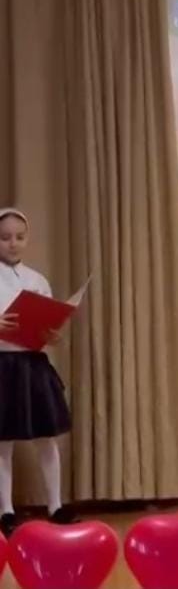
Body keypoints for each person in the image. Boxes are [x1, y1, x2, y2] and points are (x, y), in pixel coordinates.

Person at [0, 208, 78, 537]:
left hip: (33, 364)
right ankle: (5, 511)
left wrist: (52, 334)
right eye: (5, 237)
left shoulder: (37, 280)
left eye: (19, 237)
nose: (13, 243)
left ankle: (55, 506)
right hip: (2, 365)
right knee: (3, 442)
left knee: (47, 438)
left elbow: (46, 328)